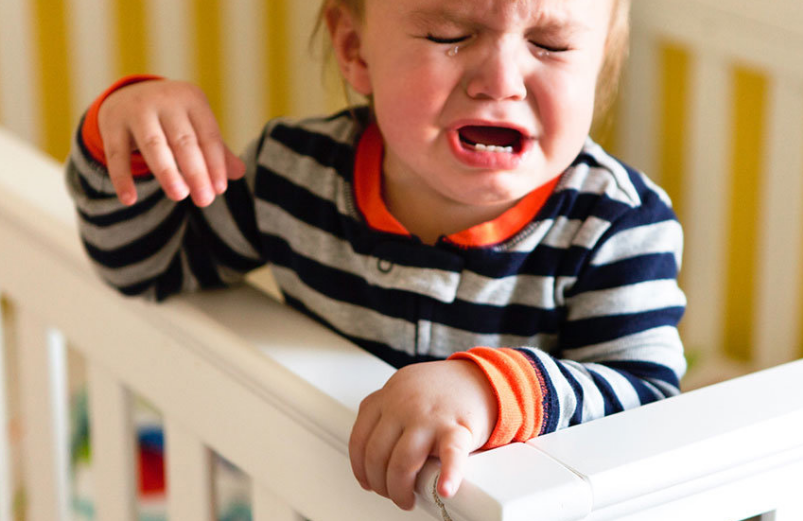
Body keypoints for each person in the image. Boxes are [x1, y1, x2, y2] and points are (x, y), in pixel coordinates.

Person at [66, 0, 686, 512]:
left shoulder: (617, 225)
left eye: (551, 45)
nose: (501, 80)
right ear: (356, 50)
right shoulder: (293, 175)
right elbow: (143, 266)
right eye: (450, 33)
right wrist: (124, 136)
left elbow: (649, 401)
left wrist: (493, 391)